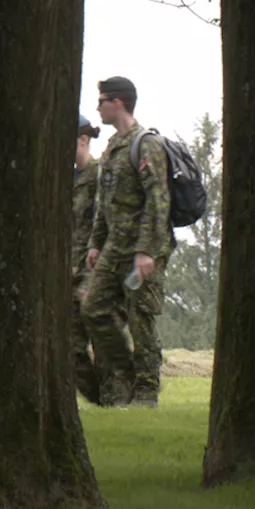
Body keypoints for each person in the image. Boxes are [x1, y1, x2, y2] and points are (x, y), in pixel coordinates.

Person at [83, 76, 174, 408]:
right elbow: (103, 202)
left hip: (142, 250)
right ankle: (124, 380)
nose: (98, 107)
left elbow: (159, 198)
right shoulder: (111, 148)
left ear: (117, 102)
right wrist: (95, 243)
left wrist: (147, 250)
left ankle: (146, 394)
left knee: (141, 319)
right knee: (93, 309)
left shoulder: (145, 143)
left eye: (102, 100)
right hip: (113, 248)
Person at [72, 115, 103, 404]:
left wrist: (91, 280)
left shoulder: (99, 176)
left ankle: (116, 397)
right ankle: (98, 401)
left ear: (83, 140)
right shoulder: (64, 180)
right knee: (73, 347)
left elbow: (103, 230)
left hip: (91, 273)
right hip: (66, 274)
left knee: (103, 341)